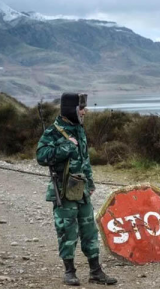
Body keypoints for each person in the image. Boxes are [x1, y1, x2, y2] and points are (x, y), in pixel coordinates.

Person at [37, 93, 117, 286]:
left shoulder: (79, 129)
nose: (85, 111)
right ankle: (69, 272)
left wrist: (90, 183)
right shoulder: (53, 131)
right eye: (81, 108)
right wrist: (65, 147)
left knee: (89, 230)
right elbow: (41, 156)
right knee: (67, 231)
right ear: (70, 110)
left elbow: (85, 159)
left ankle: (96, 272)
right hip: (64, 190)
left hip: (81, 190)